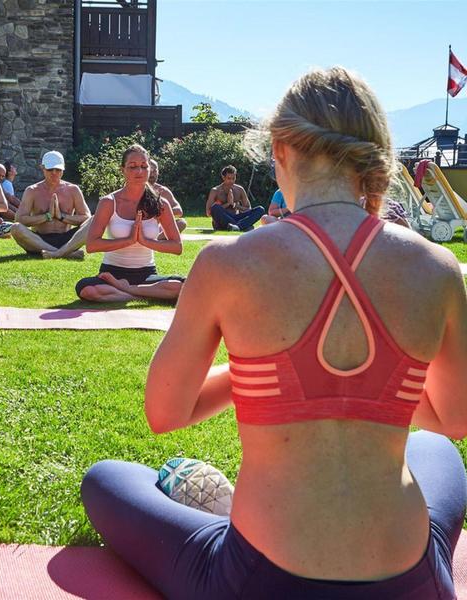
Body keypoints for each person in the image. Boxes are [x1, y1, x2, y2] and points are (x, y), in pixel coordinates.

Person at [82, 67, 467, 599]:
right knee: (437, 452)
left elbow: (165, 411)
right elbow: (453, 418)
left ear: (281, 148)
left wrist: (266, 376)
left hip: (260, 580)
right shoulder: (439, 269)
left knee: (105, 480)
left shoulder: (227, 263)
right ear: (372, 159)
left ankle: (219, 510)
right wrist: (371, 387)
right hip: (408, 582)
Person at [76, 144, 184, 301]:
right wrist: (128, 240)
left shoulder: (160, 204)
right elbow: (92, 245)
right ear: (122, 170)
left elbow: (177, 247)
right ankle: (139, 295)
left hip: (146, 275)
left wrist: (145, 241)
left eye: (143, 166)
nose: (139, 171)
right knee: (87, 289)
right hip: (112, 274)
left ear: (150, 170)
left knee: (183, 285)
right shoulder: (109, 202)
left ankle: (126, 291)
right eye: (132, 167)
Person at [10, 151, 92, 259]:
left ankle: (58, 253)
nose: (54, 173)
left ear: (63, 169)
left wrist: (61, 217)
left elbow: (86, 218)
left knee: (95, 220)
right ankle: (64, 253)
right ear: (42, 168)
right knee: (15, 228)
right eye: (50, 169)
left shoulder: (73, 190)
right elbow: (19, 219)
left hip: (67, 238)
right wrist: (47, 216)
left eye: (58, 170)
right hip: (39, 240)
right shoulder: (32, 191)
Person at [205, 165, 265, 232]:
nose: (231, 181)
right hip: (221, 221)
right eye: (229, 178)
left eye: (233, 178)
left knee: (260, 209)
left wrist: (235, 205)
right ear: (223, 177)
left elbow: (248, 209)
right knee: (215, 207)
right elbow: (208, 213)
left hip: (236, 217)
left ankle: (237, 227)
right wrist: (228, 204)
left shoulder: (239, 189)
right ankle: (242, 226)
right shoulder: (215, 190)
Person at [148, 158, 187, 235]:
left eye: (154, 171)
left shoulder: (163, 191)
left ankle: (156, 239)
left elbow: (179, 211)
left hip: (158, 226)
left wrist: (159, 213)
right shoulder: (136, 189)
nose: (152, 174)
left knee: (181, 223)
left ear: (158, 172)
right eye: (150, 171)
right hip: (140, 225)